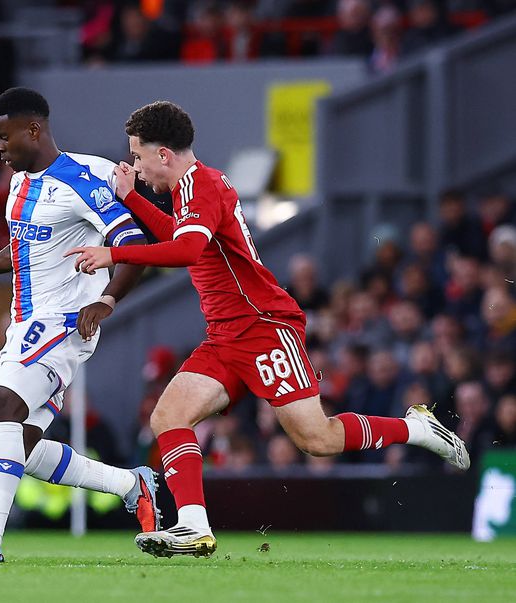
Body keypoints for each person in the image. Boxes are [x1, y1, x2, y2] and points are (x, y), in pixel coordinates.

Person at [66, 101, 470, 558]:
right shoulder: (188, 189)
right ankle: (193, 528)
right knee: (167, 417)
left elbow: (184, 253)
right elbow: (182, 242)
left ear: (163, 155)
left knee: (316, 439)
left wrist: (113, 255)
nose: (135, 168)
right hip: (224, 335)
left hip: (263, 327)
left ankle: (414, 429)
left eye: (138, 158)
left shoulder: (202, 185)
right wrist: (131, 200)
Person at [0, 87, 159, 563]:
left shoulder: (83, 178)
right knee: (24, 449)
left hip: (63, 322)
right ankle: (130, 483)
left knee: (0, 407)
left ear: (33, 129)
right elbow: (22, 250)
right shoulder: (19, 184)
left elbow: (132, 243)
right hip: (26, 321)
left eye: (2, 137)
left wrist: (108, 300)